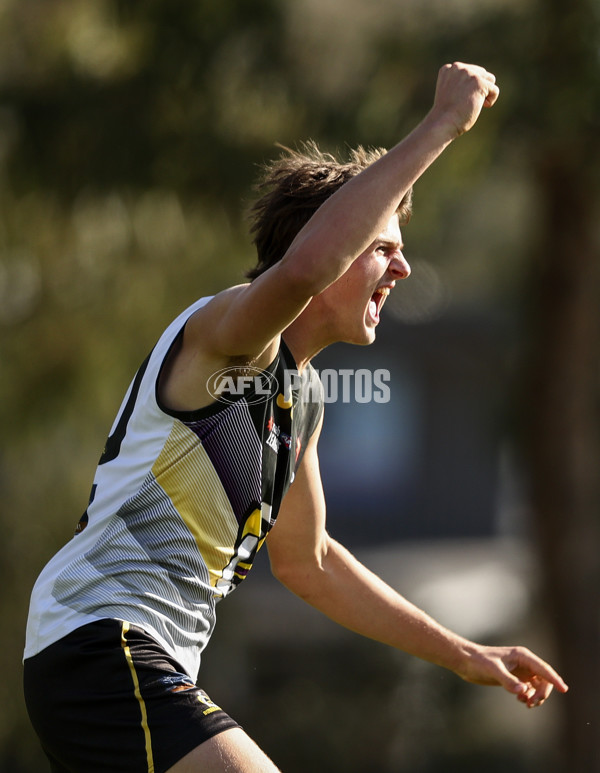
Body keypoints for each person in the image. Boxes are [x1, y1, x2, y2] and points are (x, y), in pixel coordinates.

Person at [23, 62, 568, 773]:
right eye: (383, 249)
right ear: (332, 247)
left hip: (126, 661)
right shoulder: (231, 335)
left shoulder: (299, 397)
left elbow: (310, 563)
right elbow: (304, 270)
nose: (401, 271)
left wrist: (465, 653)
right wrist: (441, 125)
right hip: (99, 643)